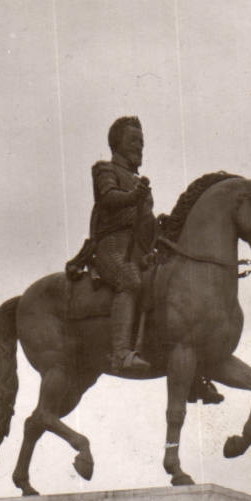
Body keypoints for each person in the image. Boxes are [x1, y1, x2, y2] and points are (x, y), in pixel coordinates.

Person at [90, 116, 156, 373]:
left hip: (139, 251)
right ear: (117, 143)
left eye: (142, 141)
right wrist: (133, 197)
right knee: (129, 279)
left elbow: (146, 222)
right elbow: (108, 198)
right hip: (111, 246)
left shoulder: (141, 185)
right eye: (133, 140)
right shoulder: (104, 170)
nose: (139, 146)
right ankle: (120, 354)